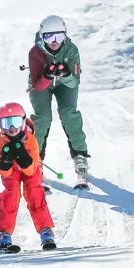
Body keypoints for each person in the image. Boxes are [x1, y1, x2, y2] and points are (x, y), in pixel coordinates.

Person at [28, 15, 90, 180]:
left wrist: (66, 74)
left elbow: (74, 82)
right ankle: (36, 159)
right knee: (43, 118)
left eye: (59, 36)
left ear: (65, 35)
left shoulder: (71, 50)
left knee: (69, 114)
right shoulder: (36, 52)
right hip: (42, 84)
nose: (54, 41)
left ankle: (80, 155)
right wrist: (48, 75)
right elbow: (38, 85)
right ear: (42, 37)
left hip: (65, 84)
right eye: (49, 37)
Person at [0, 102, 56, 251]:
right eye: (6, 123)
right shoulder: (0, 143)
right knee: (11, 194)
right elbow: (4, 173)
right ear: (0, 125)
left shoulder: (31, 140)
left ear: (22, 121)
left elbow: (30, 170)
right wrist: (5, 161)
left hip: (30, 168)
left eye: (15, 122)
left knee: (34, 192)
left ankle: (45, 231)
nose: (12, 128)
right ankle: (4, 234)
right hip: (12, 171)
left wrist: (23, 156)